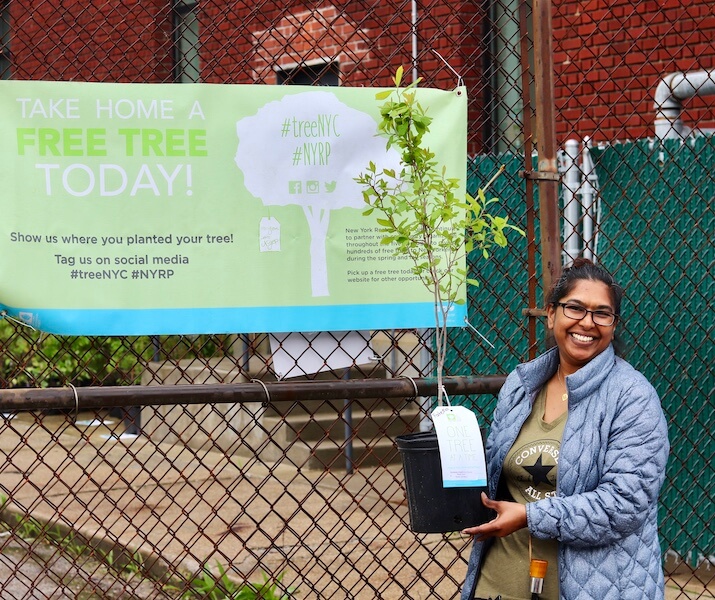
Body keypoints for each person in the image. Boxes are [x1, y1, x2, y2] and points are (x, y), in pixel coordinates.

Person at [460, 258, 670, 600]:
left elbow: (624, 505)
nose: (587, 322)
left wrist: (530, 516)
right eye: (574, 308)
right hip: (498, 583)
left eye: (602, 313)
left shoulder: (632, 397)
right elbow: (493, 473)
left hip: (594, 588)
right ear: (552, 314)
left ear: (614, 325)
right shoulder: (522, 384)